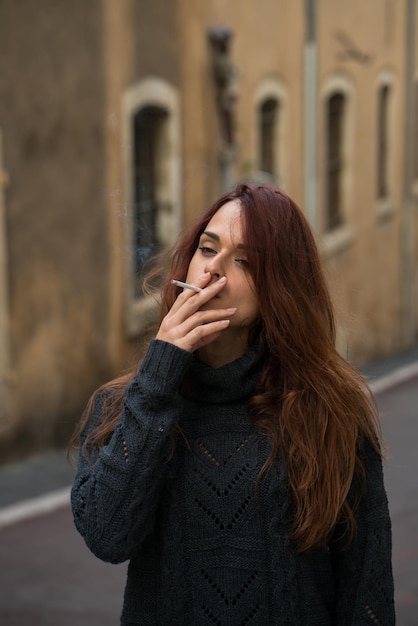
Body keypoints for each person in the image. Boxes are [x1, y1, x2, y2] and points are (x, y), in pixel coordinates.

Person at [70, 184, 395, 625]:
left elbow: (365, 587)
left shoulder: (331, 411)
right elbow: (106, 535)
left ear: (279, 287)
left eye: (244, 261)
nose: (214, 271)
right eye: (208, 249)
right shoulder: (126, 404)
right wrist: (159, 373)